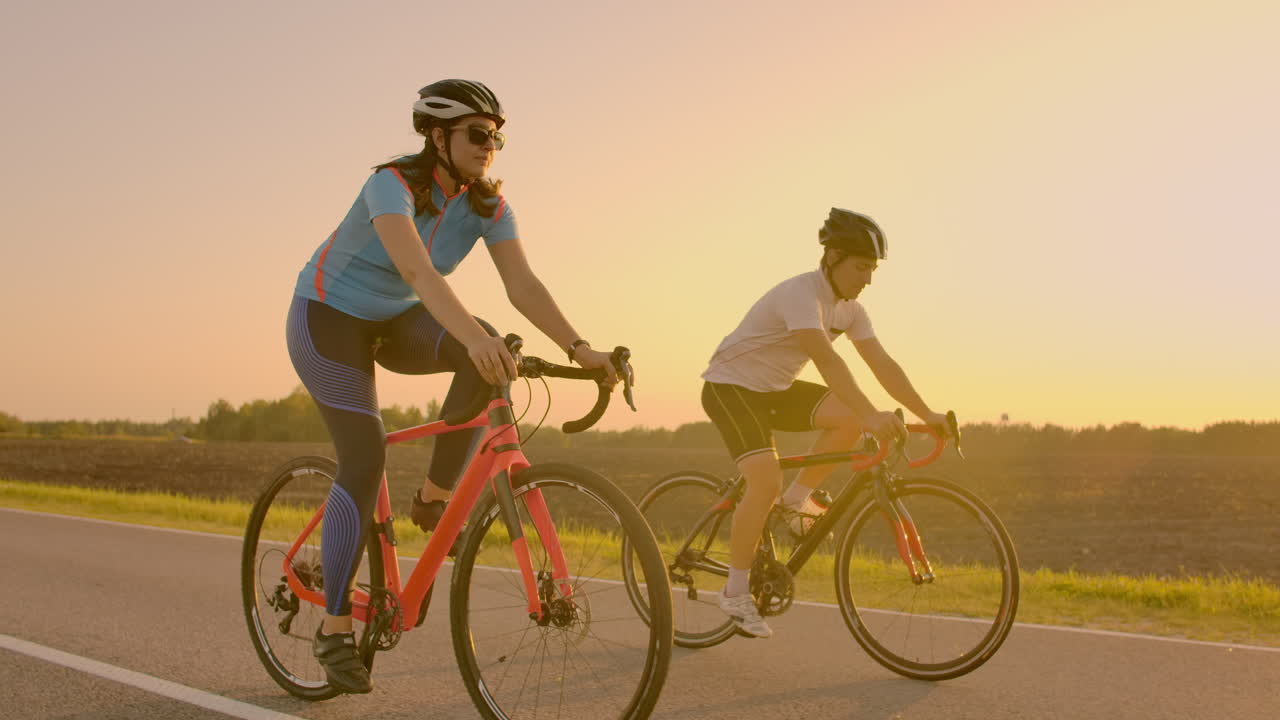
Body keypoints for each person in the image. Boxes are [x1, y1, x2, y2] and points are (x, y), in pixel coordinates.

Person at [287, 79, 620, 693]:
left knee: (489, 346)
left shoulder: (489, 206)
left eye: (497, 136)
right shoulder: (388, 185)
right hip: (327, 318)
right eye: (476, 133)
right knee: (364, 456)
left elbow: (524, 286)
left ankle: (434, 499)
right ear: (437, 136)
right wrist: (472, 336)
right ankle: (333, 626)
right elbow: (416, 268)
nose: (489, 145)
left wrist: (580, 348)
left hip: (396, 321)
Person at [699, 208, 951, 639]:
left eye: (872, 269)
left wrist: (928, 413)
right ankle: (734, 592)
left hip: (774, 390)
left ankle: (796, 500)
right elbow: (828, 360)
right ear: (832, 257)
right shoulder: (801, 295)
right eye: (860, 267)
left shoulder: (851, 309)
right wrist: (874, 413)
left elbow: (882, 364)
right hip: (731, 387)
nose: (867, 278)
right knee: (763, 482)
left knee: (849, 420)